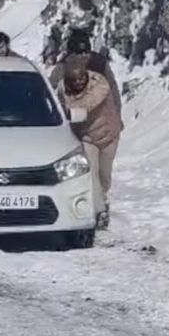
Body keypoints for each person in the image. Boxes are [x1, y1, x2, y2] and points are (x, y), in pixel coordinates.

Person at [56, 59, 121, 230]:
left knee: (104, 176)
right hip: (87, 137)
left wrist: (70, 111)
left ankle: (104, 199)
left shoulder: (99, 83)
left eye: (81, 79)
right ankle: (99, 212)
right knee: (91, 173)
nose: (78, 83)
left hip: (108, 134)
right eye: (74, 80)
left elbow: (89, 104)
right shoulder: (63, 89)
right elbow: (60, 106)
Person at [49, 30, 122, 121]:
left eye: (86, 51)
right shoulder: (64, 67)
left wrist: (117, 116)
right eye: (79, 53)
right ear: (71, 54)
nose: (84, 56)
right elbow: (49, 90)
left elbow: (113, 90)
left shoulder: (99, 64)